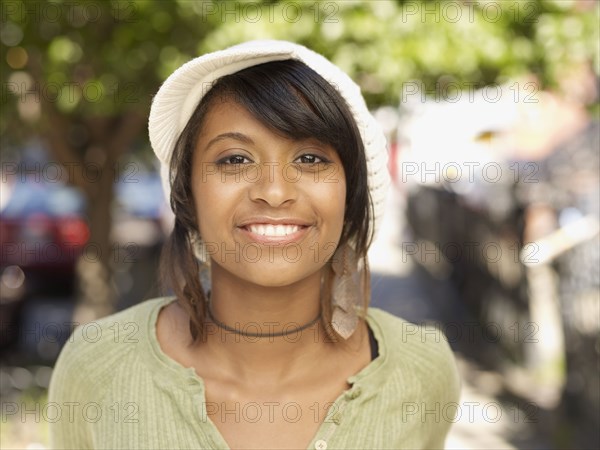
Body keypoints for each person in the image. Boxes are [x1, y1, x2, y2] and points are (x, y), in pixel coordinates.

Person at [49, 40, 461, 450]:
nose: (275, 191)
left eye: (310, 159)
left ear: (350, 194)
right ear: (187, 195)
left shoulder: (421, 369)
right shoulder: (98, 366)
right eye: (235, 159)